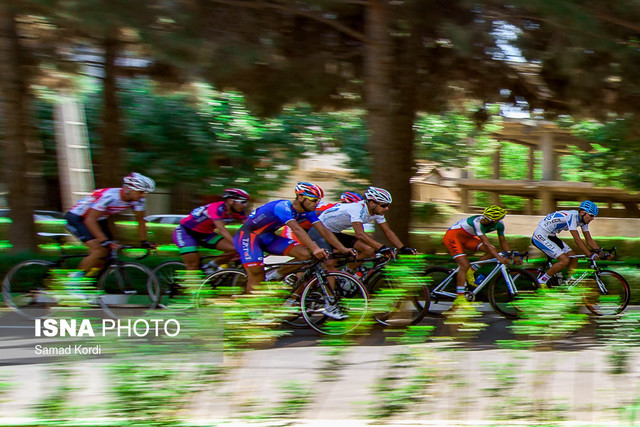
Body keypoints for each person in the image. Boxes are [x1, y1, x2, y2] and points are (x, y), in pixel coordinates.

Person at [233, 182, 354, 318]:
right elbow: (296, 229)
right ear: (301, 198)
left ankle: (276, 275)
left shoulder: (308, 212)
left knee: (305, 255)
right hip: (249, 237)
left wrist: (342, 248)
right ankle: (253, 312)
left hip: (268, 236)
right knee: (256, 274)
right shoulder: (283, 207)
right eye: (314, 200)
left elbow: (324, 231)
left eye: (318, 201)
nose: (316, 204)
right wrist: (315, 248)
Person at [64, 172, 156, 276]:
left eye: (145, 193)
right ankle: (73, 282)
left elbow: (140, 220)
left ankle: (91, 279)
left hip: (99, 219)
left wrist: (144, 241)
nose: (143, 195)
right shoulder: (109, 196)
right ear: (128, 189)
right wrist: (104, 241)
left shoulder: (138, 200)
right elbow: (90, 220)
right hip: (78, 218)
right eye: (141, 192)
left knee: (108, 254)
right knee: (99, 250)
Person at [317, 186, 417, 268]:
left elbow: (388, 231)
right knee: (331, 264)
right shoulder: (357, 209)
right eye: (384, 205)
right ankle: (329, 290)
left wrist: (403, 248)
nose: (387, 208)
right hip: (319, 229)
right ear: (372, 203)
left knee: (368, 250)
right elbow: (360, 234)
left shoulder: (377, 211)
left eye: (387, 205)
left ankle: (346, 276)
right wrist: (382, 248)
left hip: (334, 232)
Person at [442, 205, 520, 296]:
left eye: (487, 219)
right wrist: (499, 258)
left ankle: (471, 270)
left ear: (496, 220)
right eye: (484, 217)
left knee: (493, 251)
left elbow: (502, 241)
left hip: (468, 238)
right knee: (464, 265)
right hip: (453, 237)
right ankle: (460, 297)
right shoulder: (477, 223)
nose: (483, 220)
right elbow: (486, 243)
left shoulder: (500, 225)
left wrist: (510, 255)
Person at [173, 189, 250, 272]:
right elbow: (221, 229)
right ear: (230, 201)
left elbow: (251, 227)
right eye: (242, 202)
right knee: (193, 266)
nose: (245, 205)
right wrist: (237, 243)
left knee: (235, 249)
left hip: (205, 234)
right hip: (186, 233)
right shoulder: (215, 208)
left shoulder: (239, 212)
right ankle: (190, 284)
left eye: (246, 202)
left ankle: (211, 266)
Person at [532, 200, 603, 285]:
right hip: (540, 235)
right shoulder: (572, 216)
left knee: (574, 257)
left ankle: (569, 284)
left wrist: (599, 251)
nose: (593, 218)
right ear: (582, 213)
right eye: (591, 215)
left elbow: (589, 239)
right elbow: (577, 239)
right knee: (564, 260)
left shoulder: (584, 220)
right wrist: (590, 254)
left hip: (551, 235)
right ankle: (541, 281)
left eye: (594, 216)